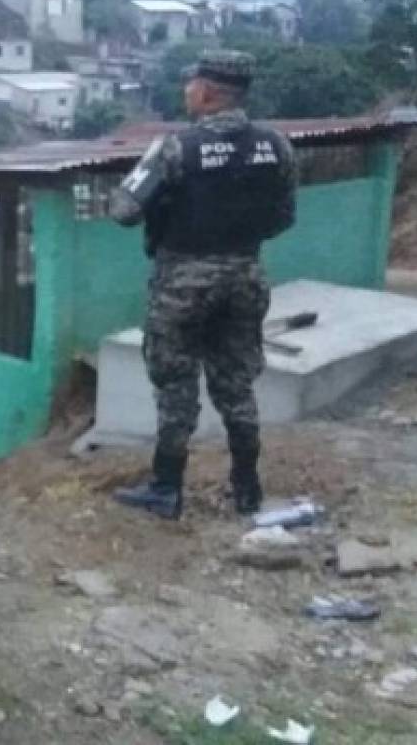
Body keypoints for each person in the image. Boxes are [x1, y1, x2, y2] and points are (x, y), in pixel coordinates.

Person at [108, 50, 298, 520]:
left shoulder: (176, 147)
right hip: (246, 276)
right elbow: (283, 218)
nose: (186, 90)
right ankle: (248, 489)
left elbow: (124, 211)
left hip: (184, 283)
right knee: (236, 382)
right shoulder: (276, 145)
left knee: (176, 383)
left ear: (208, 92)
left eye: (191, 83)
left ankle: (167, 487)